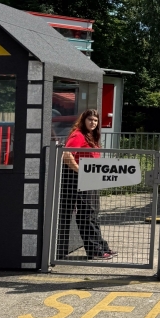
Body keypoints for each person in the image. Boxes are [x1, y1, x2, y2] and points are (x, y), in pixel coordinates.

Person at [56, 109, 116, 261]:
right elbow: (67, 154)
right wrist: (80, 171)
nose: (93, 123)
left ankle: (101, 246)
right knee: (86, 215)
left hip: (89, 179)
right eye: (90, 120)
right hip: (78, 180)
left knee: (93, 213)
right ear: (83, 120)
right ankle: (94, 250)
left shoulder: (91, 137)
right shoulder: (78, 134)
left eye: (95, 120)